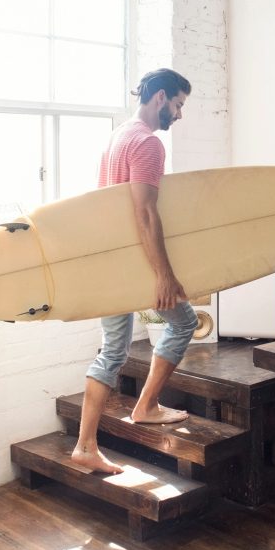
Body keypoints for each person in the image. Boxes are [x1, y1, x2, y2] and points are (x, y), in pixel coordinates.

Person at [71, 68, 199, 475]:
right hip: (138, 264)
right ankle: (146, 406)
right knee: (184, 322)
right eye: (177, 104)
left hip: (112, 263)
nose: (179, 114)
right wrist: (163, 275)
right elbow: (145, 213)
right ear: (160, 97)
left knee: (112, 350)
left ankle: (86, 445)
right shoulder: (147, 143)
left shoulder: (118, 137)